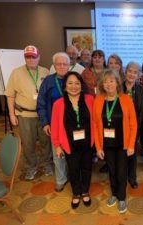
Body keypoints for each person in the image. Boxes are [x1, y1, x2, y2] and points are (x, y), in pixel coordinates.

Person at [5, 45, 52, 180]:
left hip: (42, 115)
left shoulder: (45, 71)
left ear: (39, 57)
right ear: (25, 58)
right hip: (25, 115)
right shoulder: (16, 73)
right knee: (28, 142)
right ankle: (31, 167)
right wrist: (12, 114)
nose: (31, 60)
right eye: (28, 57)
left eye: (34, 57)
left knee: (45, 141)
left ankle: (46, 164)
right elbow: (10, 95)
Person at [93, 69, 137, 214]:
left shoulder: (126, 99)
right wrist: (98, 147)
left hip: (123, 144)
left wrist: (131, 145)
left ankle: (122, 197)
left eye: (111, 81)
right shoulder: (98, 100)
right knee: (111, 171)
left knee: (121, 171)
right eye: (105, 81)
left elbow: (133, 124)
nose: (108, 84)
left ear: (117, 82)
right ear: (102, 84)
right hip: (107, 144)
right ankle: (114, 194)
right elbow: (95, 125)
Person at [51, 71, 94, 209]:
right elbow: (55, 126)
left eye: (77, 83)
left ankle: (85, 190)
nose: (74, 86)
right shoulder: (58, 104)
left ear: (81, 86)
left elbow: (97, 122)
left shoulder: (89, 100)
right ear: (65, 86)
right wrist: (57, 145)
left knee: (87, 168)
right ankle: (76, 192)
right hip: (69, 144)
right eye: (70, 83)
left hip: (88, 142)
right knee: (73, 168)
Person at [37, 52, 70, 192]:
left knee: (73, 151)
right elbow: (41, 103)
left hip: (73, 124)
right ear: (54, 65)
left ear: (69, 66)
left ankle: (73, 175)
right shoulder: (48, 81)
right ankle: (61, 179)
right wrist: (45, 123)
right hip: (55, 124)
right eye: (58, 64)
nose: (62, 66)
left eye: (65, 64)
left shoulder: (74, 79)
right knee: (58, 153)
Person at [123, 62, 143, 189]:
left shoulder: (140, 90)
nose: (132, 74)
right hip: (119, 128)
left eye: (135, 72)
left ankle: (132, 178)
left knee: (132, 153)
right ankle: (121, 176)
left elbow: (141, 111)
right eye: (130, 71)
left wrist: (134, 126)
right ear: (125, 72)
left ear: (138, 75)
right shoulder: (119, 88)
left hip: (134, 128)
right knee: (121, 154)